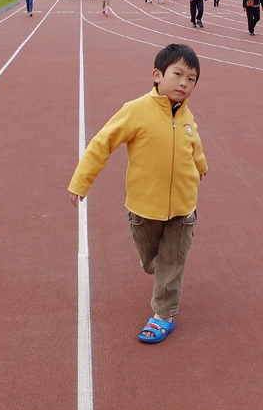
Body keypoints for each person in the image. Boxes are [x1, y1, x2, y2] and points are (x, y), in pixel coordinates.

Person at [68, 43, 208, 344]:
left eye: (192, 79)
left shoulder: (186, 115)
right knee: (151, 260)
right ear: (157, 75)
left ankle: (163, 315)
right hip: (144, 208)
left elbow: (192, 141)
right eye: (178, 74)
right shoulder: (135, 111)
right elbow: (101, 144)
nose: (184, 83)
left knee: (173, 260)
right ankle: (162, 273)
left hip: (183, 208)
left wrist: (201, 164)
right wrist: (81, 182)